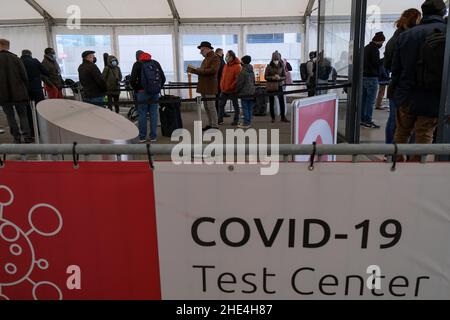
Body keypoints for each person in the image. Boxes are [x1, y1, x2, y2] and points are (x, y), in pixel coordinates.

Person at [392, 0, 447, 160]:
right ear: (442, 13)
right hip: (434, 96)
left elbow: (396, 68)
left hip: (407, 95)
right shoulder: (446, 33)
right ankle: (417, 172)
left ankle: (396, 167)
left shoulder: (407, 35)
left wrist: (396, 93)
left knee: (401, 133)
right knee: (425, 135)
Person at [384, 8, 422, 144]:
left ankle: (390, 152)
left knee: (394, 121)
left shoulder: (395, 38)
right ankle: (393, 152)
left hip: (397, 86)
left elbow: (388, 64)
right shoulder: (407, 38)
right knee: (400, 122)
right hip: (404, 87)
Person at [0, 39, 32, 143]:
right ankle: (27, 137)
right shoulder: (16, 58)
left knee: (10, 116)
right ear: (8, 47)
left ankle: (16, 138)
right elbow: (24, 76)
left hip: (3, 94)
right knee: (23, 115)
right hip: (19, 92)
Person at [131, 51, 166, 142]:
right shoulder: (155, 63)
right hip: (155, 93)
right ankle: (153, 136)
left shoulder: (137, 64)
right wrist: (158, 88)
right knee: (154, 113)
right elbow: (163, 78)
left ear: (137, 57)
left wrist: (137, 90)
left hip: (142, 93)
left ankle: (142, 137)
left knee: (142, 114)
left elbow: (132, 80)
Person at [187, 41, 220, 131]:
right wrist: (197, 70)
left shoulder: (215, 58)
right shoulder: (207, 58)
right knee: (206, 106)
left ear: (207, 48)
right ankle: (211, 123)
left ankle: (215, 125)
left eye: (201, 50)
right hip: (204, 85)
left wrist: (196, 70)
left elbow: (213, 70)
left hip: (209, 86)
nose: (200, 52)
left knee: (211, 106)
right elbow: (205, 70)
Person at [20, 49, 49, 138]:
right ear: (30, 54)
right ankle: (41, 130)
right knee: (40, 109)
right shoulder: (35, 61)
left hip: (24, 90)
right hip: (37, 88)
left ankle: (31, 132)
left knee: (27, 111)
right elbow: (46, 72)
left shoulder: (19, 61)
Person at [361, 31, 386, 129]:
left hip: (363, 77)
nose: (382, 44)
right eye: (382, 42)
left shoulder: (366, 48)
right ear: (379, 41)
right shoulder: (375, 50)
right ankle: (368, 120)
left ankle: (362, 119)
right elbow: (376, 63)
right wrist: (384, 59)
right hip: (372, 77)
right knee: (370, 101)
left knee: (363, 100)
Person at [218, 50, 241, 126]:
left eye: (227, 56)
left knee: (235, 105)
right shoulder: (225, 65)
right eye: (226, 56)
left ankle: (236, 120)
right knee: (221, 105)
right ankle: (220, 119)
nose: (226, 57)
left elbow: (237, 79)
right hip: (224, 89)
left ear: (231, 57)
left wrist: (231, 86)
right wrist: (221, 85)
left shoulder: (237, 66)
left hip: (232, 90)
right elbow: (223, 77)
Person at [265, 50, 289, 123]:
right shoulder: (268, 66)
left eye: (277, 59)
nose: (276, 61)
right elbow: (266, 76)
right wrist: (272, 77)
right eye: (275, 59)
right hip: (271, 86)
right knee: (271, 102)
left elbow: (285, 76)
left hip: (279, 85)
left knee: (282, 102)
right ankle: (273, 117)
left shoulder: (282, 66)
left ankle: (283, 117)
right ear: (272, 59)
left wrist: (280, 78)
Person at [236, 55, 255, 129]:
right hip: (251, 91)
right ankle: (249, 121)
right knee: (250, 107)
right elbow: (253, 81)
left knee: (245, 108)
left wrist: (236, 91)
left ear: (243, 62)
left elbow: (240, 83)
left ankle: (246, 123)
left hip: (244, 92)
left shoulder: (242, 71)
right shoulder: (251, 70)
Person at [215, 48, 229, 117]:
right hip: (220, 82)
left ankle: (220, 112)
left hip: (218, 81)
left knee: (219, 98)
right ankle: (220, 112)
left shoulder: (219, 59)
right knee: (220, 98)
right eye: (222, 52)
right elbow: (222, 71)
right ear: (220, 52)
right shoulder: (219, 60)